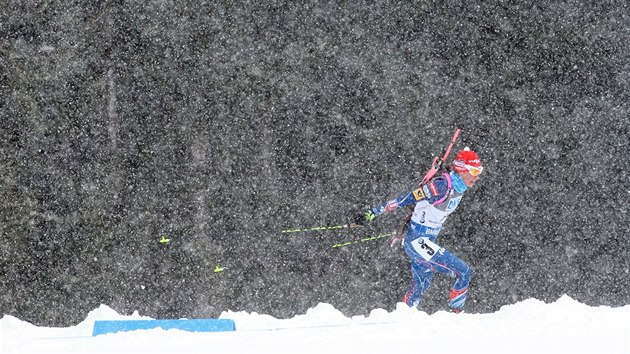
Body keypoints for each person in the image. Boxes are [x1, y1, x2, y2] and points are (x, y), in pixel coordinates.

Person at [353, 147, 483, 313]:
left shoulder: (458, 187)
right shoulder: (442, 186)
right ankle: (456, 316)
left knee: (422, 284)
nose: (477, 176)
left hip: (424, 242)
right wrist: (373, 212)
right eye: (474, 171)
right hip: (418, 242)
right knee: (464, 272)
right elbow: (408, 198)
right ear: (462, 169)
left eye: (479, 171)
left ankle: (404, 315)